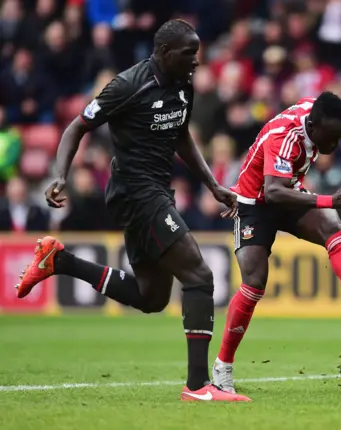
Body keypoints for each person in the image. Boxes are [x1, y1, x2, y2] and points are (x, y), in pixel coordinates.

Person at [14, 20, 250, 403]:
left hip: (155, 191)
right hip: (135, 192)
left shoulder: (183, 84)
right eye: (189, 53)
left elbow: (181, 136)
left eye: (197, 52)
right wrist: (60, 176)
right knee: (199, 275)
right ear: (164, 52)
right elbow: (77, 126)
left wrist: (213, 185)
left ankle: (60, 261)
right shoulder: (128, 84)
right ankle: (197, 386)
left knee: (151, 297)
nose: (196, 59)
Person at [212, 92, 341, 393]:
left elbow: (283, 185)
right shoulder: (285, 136)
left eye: (340, 137)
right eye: (332, 139)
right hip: (255, 203)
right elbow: (272, 192)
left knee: (333, 227)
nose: (334, 146)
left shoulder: (317, 111)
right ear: (314, 126)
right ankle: (222, 368)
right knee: (255, 282)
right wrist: (328, 199)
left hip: (287, 191)